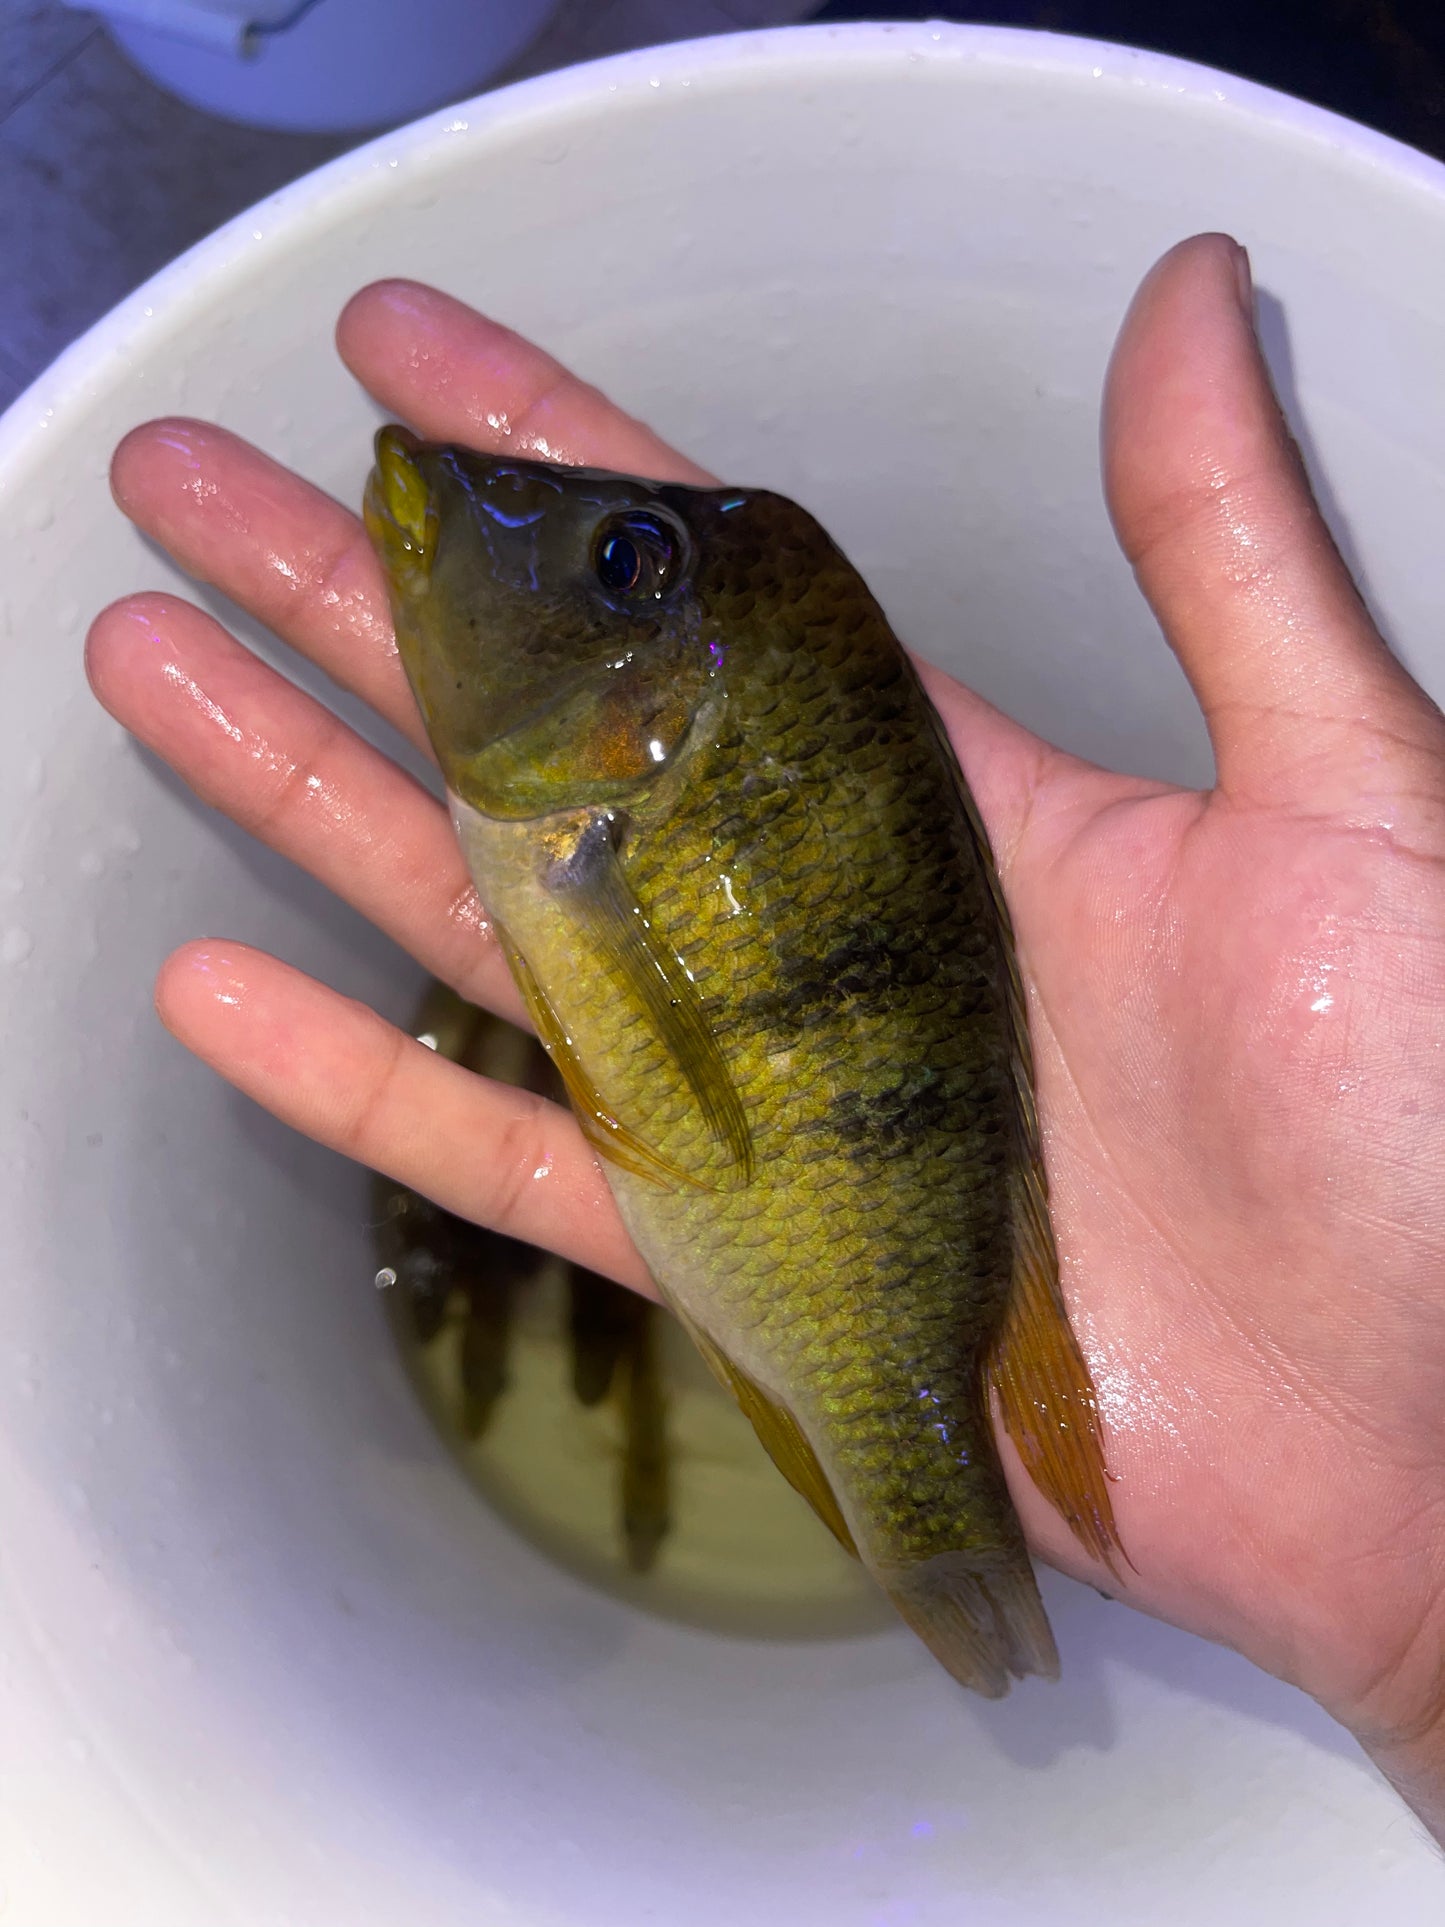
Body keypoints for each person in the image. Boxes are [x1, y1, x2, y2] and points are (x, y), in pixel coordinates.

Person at [84, 233, 1445, 1840]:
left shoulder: (588, 818)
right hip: (823, 1172)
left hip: (846, 1225)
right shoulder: (575, 817)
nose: (509, 514)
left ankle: (919, 1487)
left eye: (621, 572)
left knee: (869, 1404)